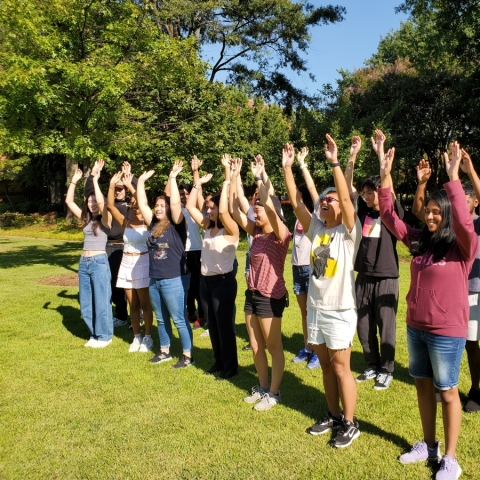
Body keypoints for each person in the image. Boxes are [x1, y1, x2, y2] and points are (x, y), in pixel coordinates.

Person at [379, 143, 477, 479]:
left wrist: (452, 177)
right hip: (416, 326)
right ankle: (428, 444)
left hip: (446, 331)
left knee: (448, 391)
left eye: (438, 212)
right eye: (429, 211)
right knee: (422, 385)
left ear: (448, 213)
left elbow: (465, 223)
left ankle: (450, 458)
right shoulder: (421, 241)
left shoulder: (464, 246)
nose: (431, 216)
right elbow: (391, 218)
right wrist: (385, 175)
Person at [283, 137, 362, 448]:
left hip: (340, 309)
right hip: (316, 307)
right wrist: (288, 168)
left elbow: (345, 199)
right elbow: (297, 200)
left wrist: (335, 162)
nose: (325, 203)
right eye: (323, 201)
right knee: (326, 365)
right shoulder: (317, 229)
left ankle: (350, 422)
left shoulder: (348, 232)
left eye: (331, 201)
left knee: (341, 367)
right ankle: (332, 414)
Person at [413, 152, 480, 413]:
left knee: (472, 343)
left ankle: (475, 388)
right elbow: (420, 211)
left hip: (474, 288)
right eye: (457, 197)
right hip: (451, 293)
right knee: (455, 340)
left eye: (468, 197)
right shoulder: (444, 223)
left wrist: (468, 171)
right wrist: (422, 183)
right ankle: (445, 384)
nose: (461, 201)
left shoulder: (475, 224)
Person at [230, 156, 291, 411]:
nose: (255, 209)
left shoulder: (281, 234)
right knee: (255, 345)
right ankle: (263, 387)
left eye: (260, 207)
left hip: (270, 295)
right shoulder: (255, 232)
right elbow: (232, 211)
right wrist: (233, 176)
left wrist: (259, 177)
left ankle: (274, 393)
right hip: (252, 293)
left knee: (273, 346)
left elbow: (268, 201)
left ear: (273, 211)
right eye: (255, 207)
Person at [345, 131, 403, 390]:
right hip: (364, 275)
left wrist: (381, 154)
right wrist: (352, 157)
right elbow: (347, 191)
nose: (368, 197)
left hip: (387, 277)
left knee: (386, 325)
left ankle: (387, 369)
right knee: (363, 323)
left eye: (372, 193)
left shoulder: (392, 212)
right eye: (366, 193)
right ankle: (371, 365)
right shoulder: (364, 213)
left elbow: (387, 186)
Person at [185, 154, 239, 380]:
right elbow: (189, 205)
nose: (208, 211)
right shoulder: (207, 226)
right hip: (206, 283)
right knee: (213, 326)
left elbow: (225, 211)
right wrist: (197, 179)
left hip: (223, 282)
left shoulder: (231, 229)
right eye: (207, 208)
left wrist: (227, 176)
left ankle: (231, 367)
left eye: (212, 207)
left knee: (224, 327)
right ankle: (219, 362)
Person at [136, 162, 194, 369]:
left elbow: (177, 205)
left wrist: (172, 178)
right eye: (157, 205)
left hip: (174, 279)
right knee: (161, 319)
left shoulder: (177, 223)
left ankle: (187, 355)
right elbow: (142, 203)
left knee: (179, 319)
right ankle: (165, 351)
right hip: (155, 278)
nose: (158, 208)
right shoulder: (153, 223)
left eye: (163, 205)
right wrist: (140, 181)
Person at [65, 161, 113, 348]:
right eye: (90, 201)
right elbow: (69, 202)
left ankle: (105, 336)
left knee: (101, 300)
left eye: (95, 201)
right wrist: (75, 181)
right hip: (84, 262)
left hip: (99, 262)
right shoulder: (85, 219)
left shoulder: (106, 219)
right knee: (86, 302)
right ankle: (94, 334)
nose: (93, 203)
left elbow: (102, 202)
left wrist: (95, 179)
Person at [107, 170, 154, 353]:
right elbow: (110, 205)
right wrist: (112, 184)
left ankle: (148, 337)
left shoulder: (149, 222)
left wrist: (130, 186)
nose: (134, 207)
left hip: (142, 264)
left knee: (144, 304)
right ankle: (136, 337)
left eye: (137, 205)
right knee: (132, 304)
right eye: (132, 205)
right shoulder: (126, 221)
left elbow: (141, 201)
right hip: (126, 264)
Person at [85, 163, 129, 327]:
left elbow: (139, 193)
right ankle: (121, 315)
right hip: (108, 248)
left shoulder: (131, 205)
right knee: (113, 284)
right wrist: (92, 175)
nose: (118, 191)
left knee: (130, 284)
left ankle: (137, 317)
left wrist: (130, 177)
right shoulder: (107, 205)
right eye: (115, 189)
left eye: (121, 188)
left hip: (126, 247)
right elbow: (90, 195)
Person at [165, 156, 205, 329]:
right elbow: (167, 195)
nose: (183, 196)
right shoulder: (175, 211)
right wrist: (171, 175)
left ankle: (202, 316)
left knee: (198, 286)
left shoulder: (194, 209)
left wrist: (195, 170)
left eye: (186, 193)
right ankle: (190, 313)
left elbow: (199, 192)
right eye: (181, 194)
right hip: (180, 252)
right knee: (184, 286)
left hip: (196, 251)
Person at [291, 147, 320, 370]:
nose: (295, 201)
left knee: (315, 311)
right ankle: (308, 347)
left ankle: (319, 351)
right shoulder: (297, 219)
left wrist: (301, 164)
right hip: (296, 268)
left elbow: (311, 189)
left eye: (299, 197)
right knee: (304, 312)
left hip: (312, 268)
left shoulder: (316, 216)